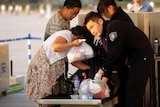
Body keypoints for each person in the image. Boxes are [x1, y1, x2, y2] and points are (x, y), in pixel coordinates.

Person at [84, 11, 154, 107]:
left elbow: (113, 54)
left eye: (92, 27)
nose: (92, 32)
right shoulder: (105, 37)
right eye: (89, 30)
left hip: (141, 57)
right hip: (129, 61)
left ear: (100, 21)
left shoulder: (113, 28)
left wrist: (101, 71)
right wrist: (104, 79)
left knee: (132, 93)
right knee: (123, 92)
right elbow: (112, 57)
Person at [24, 26, 90, 104]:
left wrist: (88, 68)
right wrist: (72, 44)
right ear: (80, 37)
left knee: (50, 96)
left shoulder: (71, 43)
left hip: (50, 70)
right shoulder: (66, 35)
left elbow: (73, 61)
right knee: (45, 98)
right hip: (44, 66)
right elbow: (55, 47)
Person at [97, 0, 134, 106]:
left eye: (104, 13)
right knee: (124, 89)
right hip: (123, 59)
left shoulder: (118, 21)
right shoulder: (119, 18)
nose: (105, 16)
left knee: (129, 91)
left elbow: (115, 50)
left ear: (110, 8)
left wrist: (104, 72)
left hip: (126, 59)